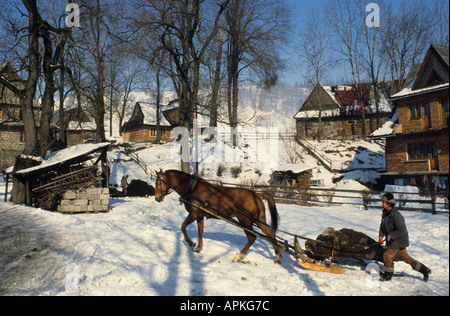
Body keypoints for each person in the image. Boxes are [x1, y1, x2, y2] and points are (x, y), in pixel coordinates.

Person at [378, 193, 431, 282]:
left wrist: (391, 235)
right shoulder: (385, 213)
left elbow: (402, 230)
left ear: (388, 203)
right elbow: (382, 226)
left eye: (383, 202)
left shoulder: (396, 215)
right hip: (393, 240)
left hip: (399, 240)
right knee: (406, 258)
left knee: (387, 255)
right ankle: (425, 270)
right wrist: (381, 235)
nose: (382, 204)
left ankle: (388, 275)